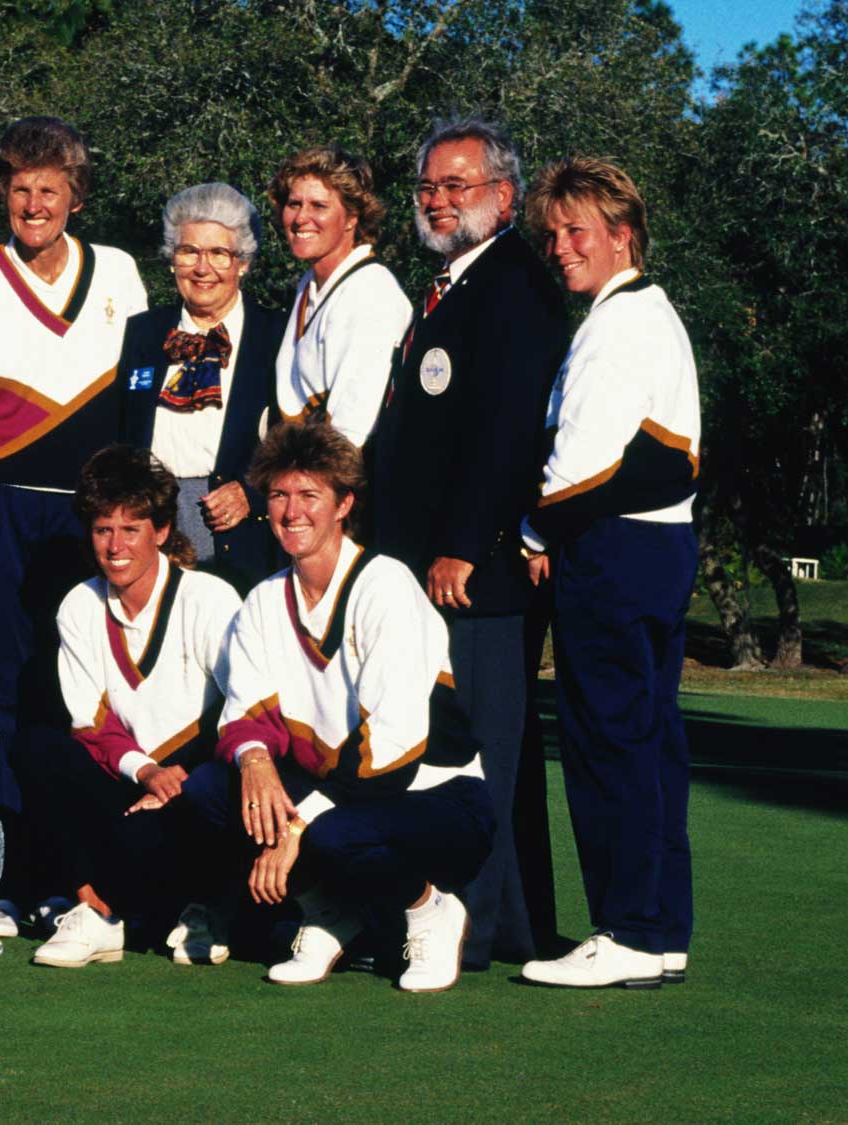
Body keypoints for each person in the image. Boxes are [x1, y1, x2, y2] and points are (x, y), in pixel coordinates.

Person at [0, 118, 149, 935]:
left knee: (71, 688)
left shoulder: (119, 272)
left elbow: (142, 401)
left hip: (88, 512)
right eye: (19, 189)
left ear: (75, 196)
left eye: (50, 188)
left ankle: (70, 876)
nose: (34, 203)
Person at [184, 419, 493, 991]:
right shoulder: (263, 600)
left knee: (333, 833)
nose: (291, 511)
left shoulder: (387, 586)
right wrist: (253, 761)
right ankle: (329, 909)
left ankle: (429, 910)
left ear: (344, 503)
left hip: (436, 797)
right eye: (278, 494)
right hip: (338, 794)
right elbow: (243, 711)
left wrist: (297, 824)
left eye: (309, 495)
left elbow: (391, 749)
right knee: (209, 791)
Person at [363, 114, 568, 970]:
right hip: (430, 564)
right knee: (488, 753)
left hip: (473, 574)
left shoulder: (514, 284)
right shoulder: (448, 284)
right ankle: (509, 928)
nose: (440, 201)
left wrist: (467, 544)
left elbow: (506, 434)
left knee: (476, 754)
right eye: (429, 187)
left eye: (460, 185)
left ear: (505, 197)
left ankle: (468, 928)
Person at [517, 159, 701, 989]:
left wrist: (529, 528)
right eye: (553, 233)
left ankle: (626, 929)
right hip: (654, 549)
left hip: (614, 551)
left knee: (608, 741)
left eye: (576, 230)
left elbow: (579, 464)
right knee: (652, 739)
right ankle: (659, 928)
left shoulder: (620, 323)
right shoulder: (647, 313)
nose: (561, 247)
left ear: (621, 234)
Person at [8, 446, 242, 968]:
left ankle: (199, 905)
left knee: (202, 800)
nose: (114, 547)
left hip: (199, 784)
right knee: (35, 749)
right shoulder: (78, 605)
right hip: (135, 779)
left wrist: (176, 778)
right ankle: (98, 909)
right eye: (102, 530)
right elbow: (89, 725)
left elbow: (240, 715)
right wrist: (148, 771)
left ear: (161, 531)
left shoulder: (211, 598)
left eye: (130, 529)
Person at [115, 183, 283, 594]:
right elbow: (122, 437)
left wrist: (251, 494)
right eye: (188, 251)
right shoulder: (142, 332)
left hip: (241, 535)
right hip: (153, 529)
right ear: (172, 259)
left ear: (242, 262)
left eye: (219, 254)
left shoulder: (276, 335)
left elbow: (299, 443)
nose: (202, 268)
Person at [269, 147, 410, 448]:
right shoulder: (311, 284)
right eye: (294, 204)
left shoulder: (372, 292)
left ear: (351, 218)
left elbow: (352, 432)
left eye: (319, 205)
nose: (301, 217)